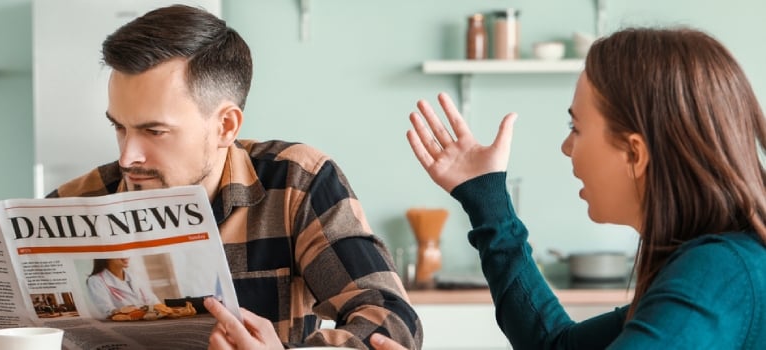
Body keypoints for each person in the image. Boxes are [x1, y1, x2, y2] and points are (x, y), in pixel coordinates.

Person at [47, 4, 421, 348]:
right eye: (120, 128)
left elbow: (390, 317)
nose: (128, 156)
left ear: (226, 125)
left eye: (154, 131)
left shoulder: (296, 183)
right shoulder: (76, 201)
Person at [399, 27, 766, 349]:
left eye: (576, 128)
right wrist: (484, 194)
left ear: (634, 153)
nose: (566, 146)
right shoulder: (721, 264)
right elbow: (553, 345)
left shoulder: (720, 272)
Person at [86, 258, 161, 319]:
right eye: (119, 253)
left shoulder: (135, 276)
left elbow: (155, 302)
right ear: (107, 257)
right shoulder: (96, 280)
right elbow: (108, 311)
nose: (125, 256)